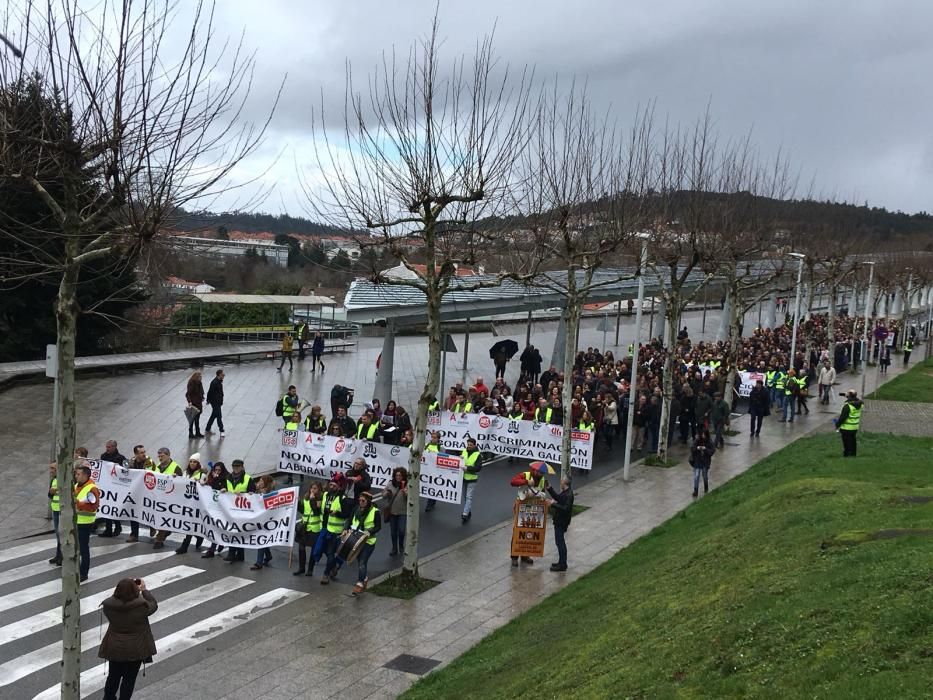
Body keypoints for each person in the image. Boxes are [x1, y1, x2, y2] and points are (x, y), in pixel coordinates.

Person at [99, 577, 157, 700]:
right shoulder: (141, 607)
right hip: (135, 648)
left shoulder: (108, 607)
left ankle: (108, 698)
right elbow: (153, 605)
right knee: (129, 679)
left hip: (114, 647)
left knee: (113, 676)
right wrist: (144, 591)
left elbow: (116, 601)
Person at [339, 491, 382, 596]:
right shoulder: (356, 509)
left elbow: (378, 526)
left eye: (363, 501)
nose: (361, 502)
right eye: (360, 500)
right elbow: (349, 520)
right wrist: (345, 529)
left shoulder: (375, 512)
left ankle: (359, 584)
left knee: (362, 562)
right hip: (355, 539)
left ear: (368, 502)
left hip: (368, 541)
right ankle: (364, 578)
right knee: (359, 562)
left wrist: (370, 531)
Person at [509, 463, 549, 566]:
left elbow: (543, 493)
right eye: (540, 472)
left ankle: (525, 555)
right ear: (534, 470)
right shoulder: (526, 475)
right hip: (521, 507)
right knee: (518, 530)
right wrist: (526, 482)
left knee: (530, 530)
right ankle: (514, 556)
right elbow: (513, 482)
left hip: (533, 508)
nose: (541, 475)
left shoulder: (543, 479)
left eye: (542, 473)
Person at [319, 473, 351, 585]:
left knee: (331, 552)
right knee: (322, 550)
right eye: (330, 484)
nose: (331, 487)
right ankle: (335, 566)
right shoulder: (326, 495)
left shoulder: (343, 499)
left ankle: (326, 574)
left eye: (334, 485)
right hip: (326, 528)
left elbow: (347, 514)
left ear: (339, 486)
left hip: (337, 532)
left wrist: (337, 513)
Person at [149, 448, 181, 549]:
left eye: (162, 456)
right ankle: (155, 529)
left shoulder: (176, 468)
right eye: (159, 456)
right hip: (157, 496)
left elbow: (180, 484)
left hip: (169, 499)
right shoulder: (157, 467)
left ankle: (159, 540)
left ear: (168, 455)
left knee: (163, 518)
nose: (160, 458)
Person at [223, 459, 254, 563]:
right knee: (233, 531)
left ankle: (232, 554)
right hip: (231, 509)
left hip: (242, 510)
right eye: (234, 466)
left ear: (242, 467)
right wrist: (223, 490)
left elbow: (253, 492)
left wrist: (245, 493)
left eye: (237, 466)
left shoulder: (248, 478)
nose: (235, 468)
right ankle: (239, 556)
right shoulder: (228, 478)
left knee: (238, 532)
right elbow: (225, 488)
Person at [74, 464, 100, 582]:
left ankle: (84, 573)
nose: (76, 476)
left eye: (78, 474)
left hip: (85, 522)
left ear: (85, 475)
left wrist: (78, 504)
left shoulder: (92, 488)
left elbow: (94, 506)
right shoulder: (76, 485)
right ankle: (77, 569)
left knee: (83, 548)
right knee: (77, 548)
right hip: (76, 521)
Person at [174, 454, 205, 555]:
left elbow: (204, 485)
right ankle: (199, 536)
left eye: (194, 462)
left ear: (198, 463)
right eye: (191, 461)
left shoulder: (201, 474)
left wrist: (199, 482)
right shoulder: (185, 472)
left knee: (190, 524)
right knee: (187, 523)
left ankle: (185, 546)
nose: (192, 463)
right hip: (185, 502)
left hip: (195, 503)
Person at [98, 440, 127, 538]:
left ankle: (118, 527)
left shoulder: (121, 458)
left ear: (115, 447)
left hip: (116, 486)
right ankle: (108, 529)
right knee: (107, 508)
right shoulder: (103, 456)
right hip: (107, 485)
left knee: (114, 508)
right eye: (107, 447)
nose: (107, 449)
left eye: (109, 447)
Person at [125, 446, 154, 543]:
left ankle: (152, 526)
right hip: (135, 491)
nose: (144, 454)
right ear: (136, 454)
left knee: (148, 511)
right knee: (133, 512)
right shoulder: (131, 461)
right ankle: (134, 534)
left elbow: (148, 475)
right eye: (141, 452)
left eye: (144, 452)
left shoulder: (149, 461)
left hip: (147, 491)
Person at [201, 461, 230, 558]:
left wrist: (217, 479)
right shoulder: (211, 477)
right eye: (215, 469)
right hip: (213, 506)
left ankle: (214, 548)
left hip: (222, 508)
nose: (217, 471)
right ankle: (213, 548)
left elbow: (224, 488)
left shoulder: (226, 478)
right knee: (214, 527)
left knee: (219, 527)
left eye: (219, 470)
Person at [293, 481, 323, 576]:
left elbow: (316, 511)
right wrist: (297, 503)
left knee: (314, 549)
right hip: (304, 527)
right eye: (312, 488)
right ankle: (301, 568)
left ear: (319, 490)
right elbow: (303, 510)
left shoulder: (320, 499)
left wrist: (312, 500)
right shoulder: (306, 498)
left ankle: (310, 569)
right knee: (301, 547)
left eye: (315, 488)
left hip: (315, 528)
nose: (313, 490)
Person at [546, 476, 574, 572]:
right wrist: (550, 489)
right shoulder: (566, 493)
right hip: (559, 520)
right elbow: (558, 498)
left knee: (560, 543)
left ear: (565, 483)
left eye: (561, 481)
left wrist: (553, 504)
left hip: (561, 522)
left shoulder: (569, 495)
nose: (560, 482)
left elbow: (565, 508)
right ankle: (561, 562)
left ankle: (563, 564)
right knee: (559, 543)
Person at [250, 476, 277, 570]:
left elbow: (274, 504)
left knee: (261, 539)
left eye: (262, 481)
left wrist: (265, 495)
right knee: (263, 539)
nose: (259, 482)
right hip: (259, 519)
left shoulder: (272, 492)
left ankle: (259, 563)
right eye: (259, 481)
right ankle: (268, 556)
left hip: (268, 519)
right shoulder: (257, 492)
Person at [383, 467, 408, 556]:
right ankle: (394, 548)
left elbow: (411, 499)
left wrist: (406, 494)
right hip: (392, 512)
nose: (398, 477)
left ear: (403, 476)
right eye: (396, 475)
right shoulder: (390, 484)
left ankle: (401, 545)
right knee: (393, 532)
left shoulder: (407, 485)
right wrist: (386, 494)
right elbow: (384, 495)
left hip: (403, 512)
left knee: (401, 530)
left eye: (400, 475)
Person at [460, 437, 483, 523]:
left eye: (470, 445)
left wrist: (467, 468)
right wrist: (460, 458)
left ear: (474, 445)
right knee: (465, 497)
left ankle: (465, 514)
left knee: (469, 497)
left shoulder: (478, 455)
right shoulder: (464, 451)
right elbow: (461, 462)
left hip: (472, 479)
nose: (468, 446)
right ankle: (468, 511)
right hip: (463, 478)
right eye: (468, 444)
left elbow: (478, 468)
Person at [689, 429, 716, 498]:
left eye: (704, 434)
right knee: (696, 476)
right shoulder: (697, 440)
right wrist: (697, 448)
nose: (703, 436)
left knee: (704, 475)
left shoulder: (709, 442)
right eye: (702, 434)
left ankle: (706, 487)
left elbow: (712, 451)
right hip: (697, 460)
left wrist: (705, 449)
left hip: (705, 461)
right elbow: (692, 448)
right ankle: (695, 491)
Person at [837, 390, 863, 457]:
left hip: (846, 427)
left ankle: (846, 454)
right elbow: (856, 400)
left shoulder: (847, 406)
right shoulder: (860, 404)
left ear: (849, 396)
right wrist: (849, 396)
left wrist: (837, 424)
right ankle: (853, 454)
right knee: (853, 441)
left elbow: (842, 417)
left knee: (846, 442)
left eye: (847, 393)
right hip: (854, 427)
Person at [47, 462, 62, 565]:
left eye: (52, 468)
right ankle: (58, 555)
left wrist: (58, 491)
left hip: (62, 511)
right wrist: (51, 493)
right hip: (55, 510)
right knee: (58, 534)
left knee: (61, 534)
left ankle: (61, 556)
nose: (51, 470)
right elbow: (50, 495)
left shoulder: (64, 480)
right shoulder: (53, 480)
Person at [204, 369, 226, 437]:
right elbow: (210, 392)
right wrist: (208, 400)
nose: (224, 375)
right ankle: (221, 430)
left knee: (214, 415)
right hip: (215, 402)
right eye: (223, 374)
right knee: (219, 416)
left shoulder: (219, 381)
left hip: (218, 402)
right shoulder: (214, 382)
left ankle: (207, 428)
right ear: (219, 375)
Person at [185, 371, 205, 439]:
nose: (201, 377)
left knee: (197, 419)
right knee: (192, 419)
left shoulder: (199, 383)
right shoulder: (192, 383)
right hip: (194, 404)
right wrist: (189, 401)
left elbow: (201, 392)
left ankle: (197, 432)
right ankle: (191, 433)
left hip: (199, 403)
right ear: (197, 377)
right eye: (200, 376)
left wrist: (202, 397)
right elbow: (188, 394)